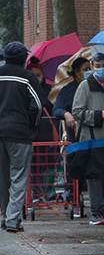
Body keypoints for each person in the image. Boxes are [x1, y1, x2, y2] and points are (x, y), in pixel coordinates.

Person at [0, 41, 45, 232]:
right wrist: (31, 127)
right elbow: (37, 106)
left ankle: (2, 216)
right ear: (22, 58)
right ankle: (12, 219)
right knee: (18, 176)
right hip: (20, 133)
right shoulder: (27, 77)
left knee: (1, 178)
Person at [72, 52, 104, 225]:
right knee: (94, 176)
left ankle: (103, 211)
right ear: (92, 67)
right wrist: (100, 115)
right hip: (93, 139)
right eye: (97, 66)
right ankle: (96, 213)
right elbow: (77, 112)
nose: (101, 69)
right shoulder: (85, 86)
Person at [53, 57, 92, 142]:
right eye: (85, 69)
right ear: (76, 72)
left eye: (90, 68)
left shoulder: (93, 87)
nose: (89, 72)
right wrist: (66, 114)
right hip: (74, 134)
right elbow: (56, 109)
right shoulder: (67, 90)